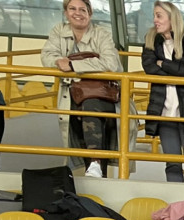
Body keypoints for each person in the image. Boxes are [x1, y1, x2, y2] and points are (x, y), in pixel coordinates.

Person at [41, 0, 124, 178]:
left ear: (90, 14)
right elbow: (47, 56)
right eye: (72, 9)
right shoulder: (58, 31)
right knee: (78, 127)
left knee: (91, 106)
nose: (77, 13)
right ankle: (94, 170)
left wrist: (73, 64)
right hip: (72, 94)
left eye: (82, 10)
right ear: (66, 12)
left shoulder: (102, 34)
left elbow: (110, 63)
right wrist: (59, 61)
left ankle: (96, 163)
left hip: (103, 95)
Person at [140, 2, 184, 184]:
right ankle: (176, 200)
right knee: (172, 165)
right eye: (154, 15)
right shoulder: (150, 40)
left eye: (159, 16)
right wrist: (181, 71)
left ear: (172, 18)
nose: (155, 20)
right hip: (164, 114)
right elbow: (149, 68)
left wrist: (163, 64)